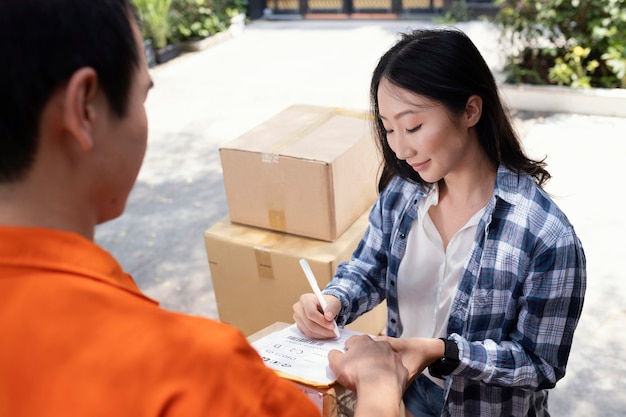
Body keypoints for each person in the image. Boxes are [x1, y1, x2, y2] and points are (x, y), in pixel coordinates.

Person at [0, 1, 408, 416]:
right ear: (84, 108)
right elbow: (368, 268)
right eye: (143, 96)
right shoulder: (197, 377)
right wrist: (378, 386)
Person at [293, 28, 586, 417]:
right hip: (409, 392)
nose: (399, 147)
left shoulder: (545, 236)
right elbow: (369, 268)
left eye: (412, 126)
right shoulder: (402, 195)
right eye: (388, 127)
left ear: (470, 111)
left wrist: (443, 352)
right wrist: (332, 301)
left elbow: (539, 363)